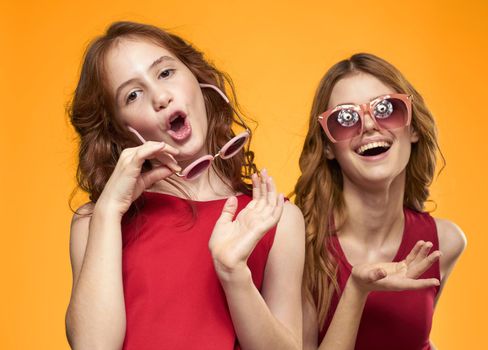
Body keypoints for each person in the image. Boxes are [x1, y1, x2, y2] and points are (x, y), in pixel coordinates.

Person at [65, 21, 304, 350]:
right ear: (121, 131)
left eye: (165, 73)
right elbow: (92, 346)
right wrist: (108, 211)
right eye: (132, 95)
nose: (160, 97)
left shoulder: (276, 219)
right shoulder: (96, 222)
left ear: (198, 78)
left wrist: (233, 273)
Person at [294, 53, 467, 350]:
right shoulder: (302, 242)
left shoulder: (445, 242)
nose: (369, 126)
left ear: (413, 128)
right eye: (345, 118)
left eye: (386, 109)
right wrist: (357, 290)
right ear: (328, 148)